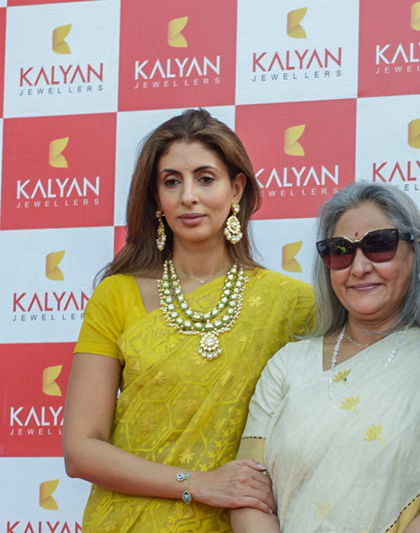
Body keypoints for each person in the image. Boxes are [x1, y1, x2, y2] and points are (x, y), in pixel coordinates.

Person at [62, 109, 315, 533]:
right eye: (171, 181)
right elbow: (81, 449)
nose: (188, 197)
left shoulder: (291, 304)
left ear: (236, 188)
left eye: (205, 178)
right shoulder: (117, 295)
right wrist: (197, 484)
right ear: (156, 197)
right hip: (125, 521)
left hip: (236, 521)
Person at [231, 182, 420, 533]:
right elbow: (248, 492)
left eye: (379, 246)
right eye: (340, 251)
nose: (359, 267)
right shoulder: (287, 365)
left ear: (418, 251)